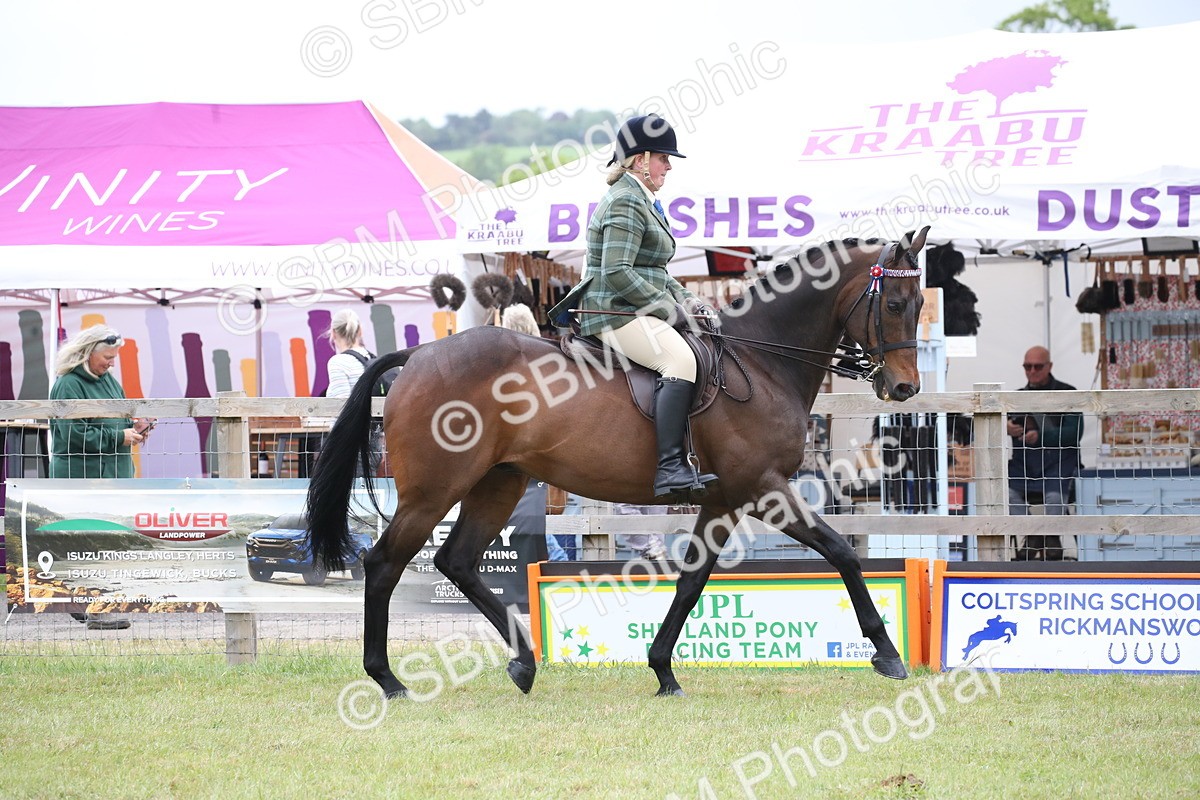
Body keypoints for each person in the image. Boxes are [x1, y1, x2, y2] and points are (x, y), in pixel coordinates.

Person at [548, 114, 717, 503]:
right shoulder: (626, 200)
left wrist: (687, 299)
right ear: (641, 159)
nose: (669, 166)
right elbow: (618, 271)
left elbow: (653, 270)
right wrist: (668, 311)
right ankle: (670, 466)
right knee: (680, 362)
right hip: (611, 310)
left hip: (631, 307)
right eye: (663, 158)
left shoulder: (643, 199)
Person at [49, 324, 144, 630]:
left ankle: (83, 602)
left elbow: (121, 418)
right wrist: (119, 436)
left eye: (113, 357)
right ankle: (97, 610)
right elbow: (71, 433)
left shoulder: (109, 382)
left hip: (113, 472)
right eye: (107, 357)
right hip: (82, 474)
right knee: (87, 540)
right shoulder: (68, 385)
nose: (111, 363)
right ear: (87, 353)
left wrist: (136, 426)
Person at [1007, 345, 1083, 560]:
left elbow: (1074, 433)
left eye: (1037, 367)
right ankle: (1035, 535)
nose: (1032, 371)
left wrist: (1040, 437)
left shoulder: (1068, 393)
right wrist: (1007, 428)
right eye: (1027, 366)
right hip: (1025, 464)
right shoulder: (1016, 398)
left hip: (1059, 462)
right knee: (1006, 494)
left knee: (1054, 497)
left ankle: (1050, 537)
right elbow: (1005, 421)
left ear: (1049, 366)